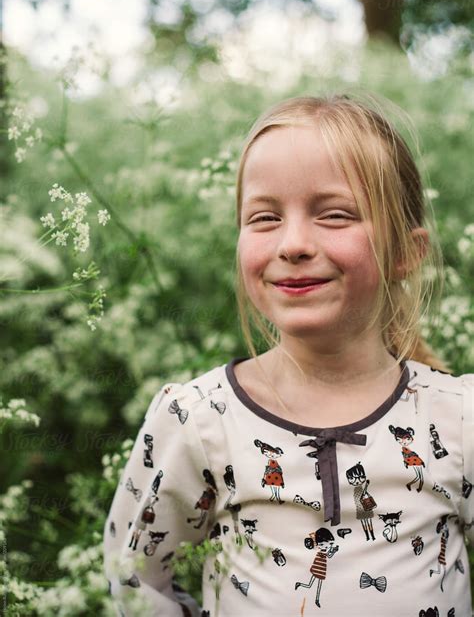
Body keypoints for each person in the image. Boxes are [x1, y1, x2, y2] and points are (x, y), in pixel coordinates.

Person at [103, 93, 473, 616]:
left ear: (407, 253)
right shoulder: (199, 418)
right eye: (264, 218)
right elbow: (135, 579)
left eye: (336, 215)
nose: (293, 243)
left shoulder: (458, 418)